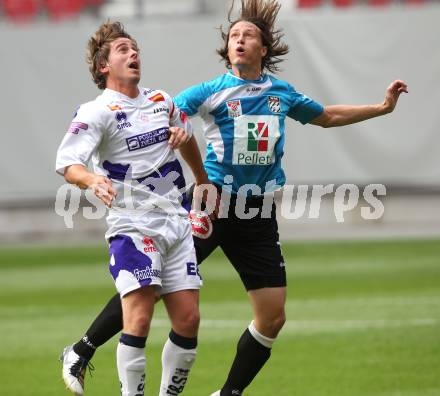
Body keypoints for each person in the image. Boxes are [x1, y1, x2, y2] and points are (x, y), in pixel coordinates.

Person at [59, 1, 408, 395]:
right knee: (149, 286)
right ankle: (83, 349)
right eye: (234, 36)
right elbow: (171, 117)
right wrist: (172, 137)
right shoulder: (211, 92)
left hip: (257, 211)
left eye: (249, 36)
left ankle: (229, 392)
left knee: (272, 317)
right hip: (212, 202)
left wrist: (381, 108)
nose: (239, 40)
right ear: (227, 49)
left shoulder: (282, 93)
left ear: (264, 48)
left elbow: (326, 115)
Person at [56, 21, 211, 396]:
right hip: (132, 226)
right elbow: (67, 162)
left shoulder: (162, 100)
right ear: (103, 65)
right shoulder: (97, 111)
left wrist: (202, 178)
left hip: (176, 221)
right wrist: (91, 180)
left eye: (135, 47)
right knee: (139, 319)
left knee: (188, 319)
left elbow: (185, 134)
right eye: (123, 49)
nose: (133, 53)